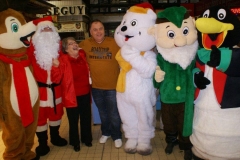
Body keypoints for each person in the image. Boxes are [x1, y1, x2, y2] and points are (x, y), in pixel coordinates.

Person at [28, 17, 77, 157]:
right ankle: (42, 143)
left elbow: (67, 61)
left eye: (50, 28)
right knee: (40, 117)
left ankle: (55, 137)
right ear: (38, 33)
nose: (47, 31)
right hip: (40, 90)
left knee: (56, 114)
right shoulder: (32, 48)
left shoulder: (58, 46)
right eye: (44, 29)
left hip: (57, 88)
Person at [79, 19, 122, 148]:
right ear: (90, 32)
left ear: (104, 30)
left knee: (114, 113)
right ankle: (106, 132)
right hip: (96, 87)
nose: (98, 32)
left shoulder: (114, 42)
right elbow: (71, 52)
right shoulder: (85, 44)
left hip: (112, 87)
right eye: (95, 29)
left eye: (101, 28)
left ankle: (117, 135)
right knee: (102, 112)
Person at [61, 37, 93, 152]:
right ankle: (75, 142)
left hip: (85, 93)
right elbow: (57, 76)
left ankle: (87, 139)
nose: (74, 44)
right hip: (72, 96)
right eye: (70, 43)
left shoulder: (82, 56)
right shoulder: (63, 60)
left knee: (86, 118)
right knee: (73, 121)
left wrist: (80, 51)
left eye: (75, 42)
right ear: (65, 49)